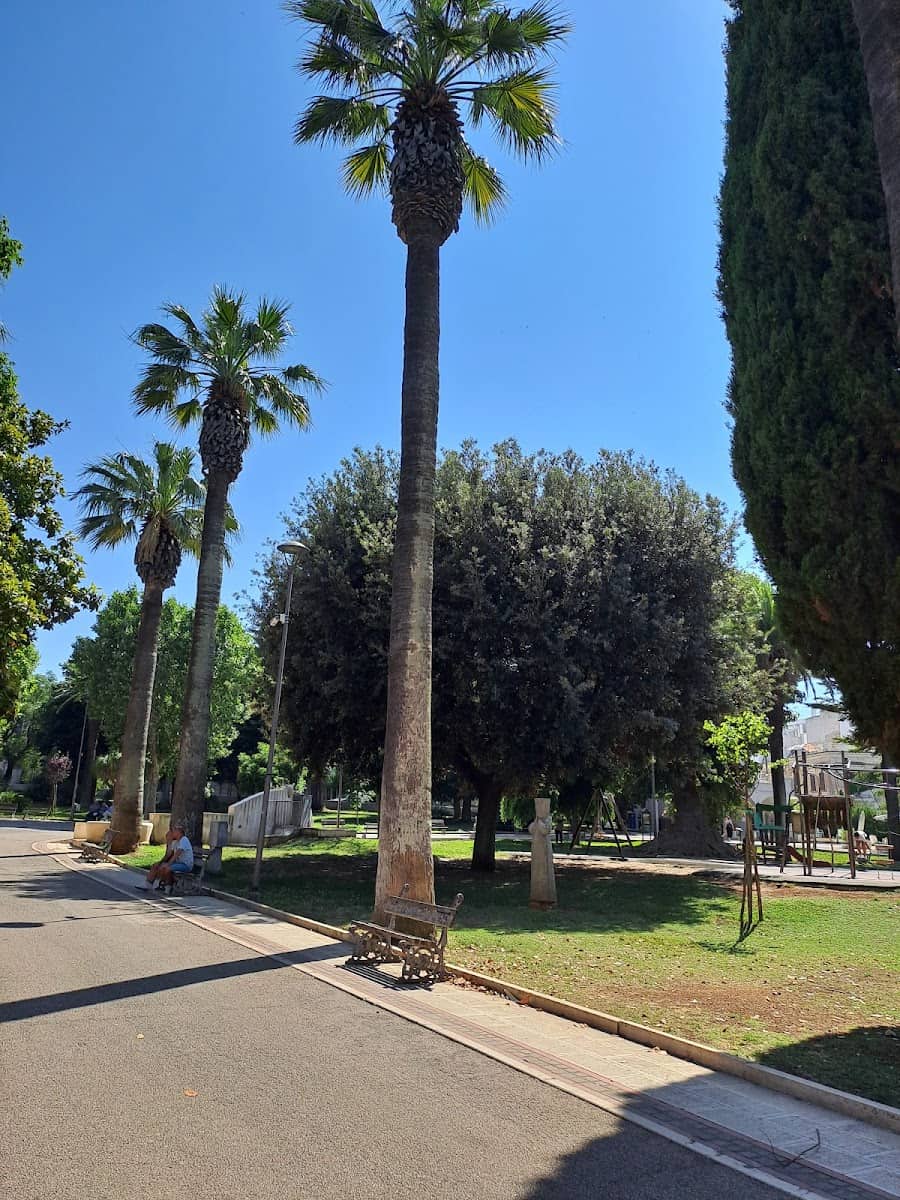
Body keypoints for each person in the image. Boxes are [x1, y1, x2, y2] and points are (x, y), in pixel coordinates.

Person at [138, 823, 194, 891]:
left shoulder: (184, 840)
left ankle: (167, 886)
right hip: (178, 863)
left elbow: (177, 854)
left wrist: (168, 864)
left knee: (166, 868)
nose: (172, 833)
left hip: (186, 865)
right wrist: (169, 842)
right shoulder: (175, 842)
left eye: (173, 831)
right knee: (156, 865)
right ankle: (148, 884)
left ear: (178, 832)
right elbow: (168, 854)